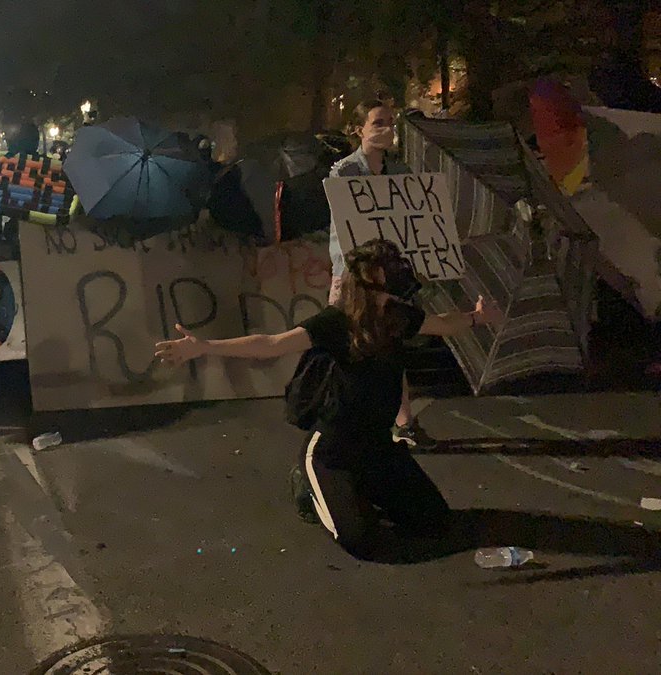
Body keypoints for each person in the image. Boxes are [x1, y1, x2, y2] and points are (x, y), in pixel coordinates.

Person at [154, 239, 504, 560]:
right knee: (360, 541)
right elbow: (272, 344)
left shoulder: (398, 317)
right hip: (333, 451)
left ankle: (362, 491)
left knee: (435, 521)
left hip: (378, 447)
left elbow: (441, 323)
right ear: (368, 283)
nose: (398, 277)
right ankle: (309, 486)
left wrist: (476, 317)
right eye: (387, 272)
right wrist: (203, 348)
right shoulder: (338, 322)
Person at [327, 99, 434, 449]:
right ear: (360, 130)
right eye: (378, 123)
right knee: (351, 345)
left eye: (390, 123)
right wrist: (343, 277)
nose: (387, 130)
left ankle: (403, 421)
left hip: (391, 277)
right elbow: (342, 229)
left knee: (392, 343)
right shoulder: (343, 172)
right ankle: (342, 418)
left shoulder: (401, 173)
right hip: (355, 275)